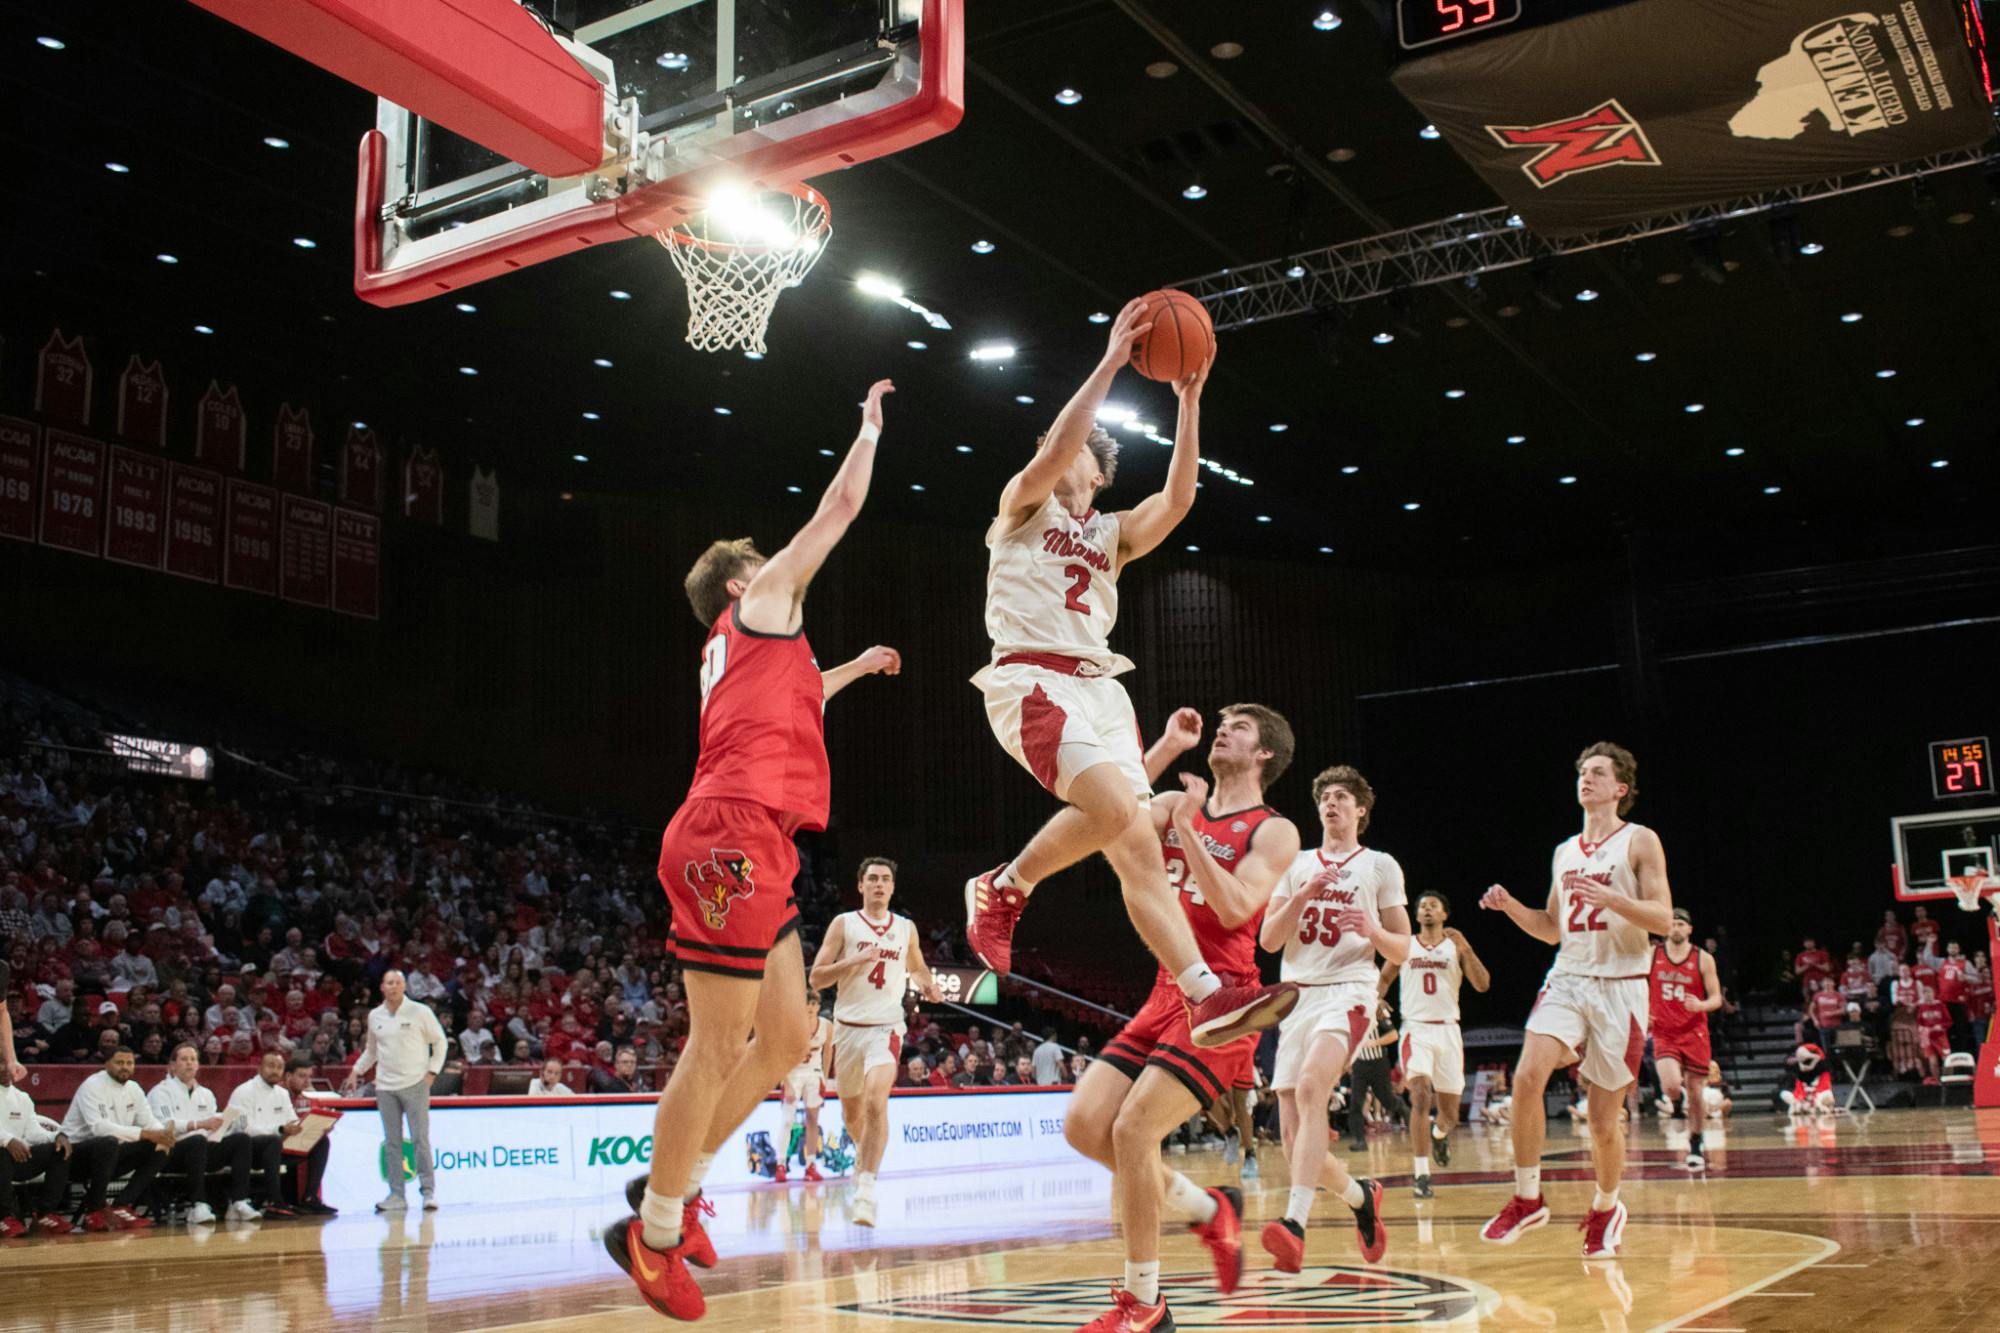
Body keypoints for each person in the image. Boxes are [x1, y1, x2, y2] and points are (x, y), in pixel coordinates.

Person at [609, 380, 905, 1320]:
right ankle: (652, 1231)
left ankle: (683, 1183)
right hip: (727, 833)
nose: (775, 560)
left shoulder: (747, 651)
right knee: (717, 1041)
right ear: (744, 582)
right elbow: (840, 509)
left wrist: (852, 668)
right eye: (760, 558)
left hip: (751, 836)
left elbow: (799, 693)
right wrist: (865, 425)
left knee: (783, 1037)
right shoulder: (765, 599)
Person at [960, 307, 1294, 1056]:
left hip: (1102, 690)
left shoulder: (1109, 533)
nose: (1063, 451)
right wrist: (1110, 362)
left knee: (1136, 844)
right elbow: (1053, 447)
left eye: (1079, 451)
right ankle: (1007, 883)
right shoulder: (1021, 506)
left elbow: (1176, 502)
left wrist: (1189, 399)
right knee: (1113, 807)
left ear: (1100, 475)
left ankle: (1207, 997)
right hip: (1032, 677)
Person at [1062, 703, 1303, 1331]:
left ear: (1265, 753)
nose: (1223, 731)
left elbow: (1235, 907)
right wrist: (1167, 746)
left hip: (1225, 1002)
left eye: (1240, 728)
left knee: (1133, 1133)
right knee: (1085, 1127)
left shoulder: (1273, 830)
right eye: (1222, 725)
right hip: (1164, 992)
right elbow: (1106, 816)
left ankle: (1145, 1303)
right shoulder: (1170, 799)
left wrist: (1192, 830)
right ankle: (1208, 1208)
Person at [1479, 743, 1673, 1258]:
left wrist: (1613, 899)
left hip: (1622, 984)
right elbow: (1549, 930)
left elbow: (1663, 919)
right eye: (1581, 772)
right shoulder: (1564, 851)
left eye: (1597, 773)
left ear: (1620, 788)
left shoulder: (1640, 840)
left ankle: (1607, 1206)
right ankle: (1527, 1197)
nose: (1585, 779)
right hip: (1568, 976)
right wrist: (1510, 907)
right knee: (1525, 1076)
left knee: (1603, 1120)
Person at [1258, 764, 1406, 1274]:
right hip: (1297, 995)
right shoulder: (1296, 864)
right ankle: (1360, 1197)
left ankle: (1295, 1224)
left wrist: (1373, 929)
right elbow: (1269, 941)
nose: (1332, 803)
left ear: (1360, 809)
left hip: (1349, 990)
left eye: (1343, 796)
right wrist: (1302, 895)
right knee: (1294, 1141)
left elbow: (1403, 947)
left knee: (1311, 1088)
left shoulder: (1381, 865)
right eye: (1325, 796)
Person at [810, 857, 943, 1224]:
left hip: (885, 1029)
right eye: (873, 879)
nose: (880, 884)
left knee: (875, 1100)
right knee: (853, 1114)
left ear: (892, 888)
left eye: (886, 879)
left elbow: (916, 966)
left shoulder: (906, 928)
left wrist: (927, 984)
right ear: (861, 886)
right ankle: (862, 1158)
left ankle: (866, 1189)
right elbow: (817, 979)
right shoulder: (844, 924)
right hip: (848, 1030)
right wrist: (851, 962)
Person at [1378, 889, 1490, 1198]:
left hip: (1449, 1031)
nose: (1427, 909)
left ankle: (1439, 1134)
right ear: (1416, 916)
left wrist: (1466, 949)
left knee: (1450, 1115)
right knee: (1420, 1093)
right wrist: (1377, 998)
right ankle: (1421, 1175)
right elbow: (1385, 978)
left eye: (1433, 906)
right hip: (1417, 1030)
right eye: (1422, 906)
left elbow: (1482, 985)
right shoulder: (1406, 946)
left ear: (1444, 915)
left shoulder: (1455, 947)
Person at [340, 969, 448, 1212]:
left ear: (404, 986)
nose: (394, 986)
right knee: (392, 1143)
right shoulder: (375, 1015)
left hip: (415, 1084)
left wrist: (432, 1072)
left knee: (420, 1140)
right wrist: (356, 1070)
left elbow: (439, 1041)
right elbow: (372, 1050)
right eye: (389, 982)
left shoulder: (421, 1011)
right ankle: (396, 1195)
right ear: (382, 987)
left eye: (398, 982)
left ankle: (428, 1192)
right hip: (385, 1087)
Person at [60, 1046, 174, 1230]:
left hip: (110, 1157)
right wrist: (144, 1134)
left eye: (129, 1063)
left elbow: (149, 1121)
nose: (125, 1067)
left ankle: (122, 1205)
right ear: (107, 1064)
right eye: (119, 1062)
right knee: (108, 1142)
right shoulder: (93, 1085)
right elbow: (99, 1128)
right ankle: (94, 1210)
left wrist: (164, 1134)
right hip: (75, 1157)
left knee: (158, 1147)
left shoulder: (134, 1088)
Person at [1648, 908, 1724, 1170]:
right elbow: (1636, 984)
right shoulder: (1653, 954)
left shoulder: (1702, 958)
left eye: (1681, 924)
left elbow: (1716, 998)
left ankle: (1695, 1143)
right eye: (1672, 923)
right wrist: (1641, 1009)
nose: (1676, 928)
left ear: (1689, 929)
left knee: (1696, 1092)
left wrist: (1701, 1005)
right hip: (1664, 1030)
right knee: (1670, 1085)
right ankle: (1675, 1103)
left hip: (1694, 1031)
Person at [146, 1041, 228, 1223]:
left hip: (202, 1151)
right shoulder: (160, 1092)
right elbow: (165, 1125)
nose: (189, 1063)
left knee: (240, 1140)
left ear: (198, 1065)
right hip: (170, 1152)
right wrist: (199, 1124)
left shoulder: (206, 1094)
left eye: (193, 1059)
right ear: (173, 1066)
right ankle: (198, 1204)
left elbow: (211, 1125)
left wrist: (225, 1125)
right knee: (197, 1140)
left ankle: (238, 1202)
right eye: (184, 1059)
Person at [225, 1051, 302, 1219]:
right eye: (271, 1066)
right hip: (245, 1151)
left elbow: (292, 1121)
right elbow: (244, 1129)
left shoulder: (282, 1094)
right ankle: (274, 1202)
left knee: (321, 1142)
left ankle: (309, 1198)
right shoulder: (243, 1091)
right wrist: (279, 1129)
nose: (275, 1071)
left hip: (274, 1149)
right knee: (273, 1140)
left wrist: (306, 1127)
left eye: (279, 1067)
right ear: (259, 1068)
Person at [0, 1059, 73, 1236]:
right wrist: (8, 1140)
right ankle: (4, 1217)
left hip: (16, 1160)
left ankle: (44, 1214)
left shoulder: (22, 1098)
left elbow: (34, 1133)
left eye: (6, 1062)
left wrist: (58, 1136)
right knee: (1, 1153)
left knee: (59, 1150)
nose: (5, 1067)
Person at [773, 991, 831, 1184]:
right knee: (788, 1120)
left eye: (814, 1003)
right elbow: (779, 1054)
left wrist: (825, 1076)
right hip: (792, 1073)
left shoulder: (826, 1026)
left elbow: (828, 1052)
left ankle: (811, 1165)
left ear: (818, 1006)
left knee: (813, 1119)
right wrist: (786, 1082)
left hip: (814, 1073)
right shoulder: (790, 1025)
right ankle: (780, 1164)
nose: (811, 1007)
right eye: (808, 1003)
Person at [279, 1055, 336, 1215]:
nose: (307, 1081)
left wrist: (321, 1127)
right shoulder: (277, 1094)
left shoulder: (304, 1099)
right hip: (273, 1144)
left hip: (292, 1145)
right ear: (288, 1076)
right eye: (302, 1076)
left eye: (309, 1077)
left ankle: (310, 1197)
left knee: (322, 1140)